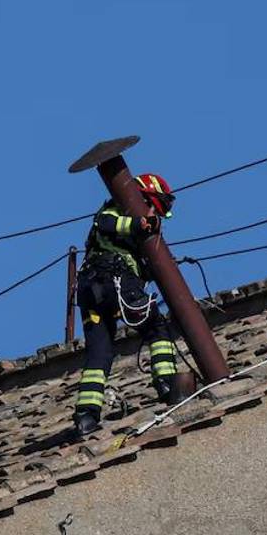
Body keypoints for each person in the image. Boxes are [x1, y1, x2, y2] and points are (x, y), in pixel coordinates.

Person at [72, 173, 180, 436]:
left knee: (100, 352)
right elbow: (108, 222)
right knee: (156, 326)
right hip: (115, 280)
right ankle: (167, 384)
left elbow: (142, 266)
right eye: (156, 206)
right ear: (145, 198)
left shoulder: (126, 233)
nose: (156, 214)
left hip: (90, 291)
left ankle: (86, 414)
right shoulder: (115, 212)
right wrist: (138, 224)